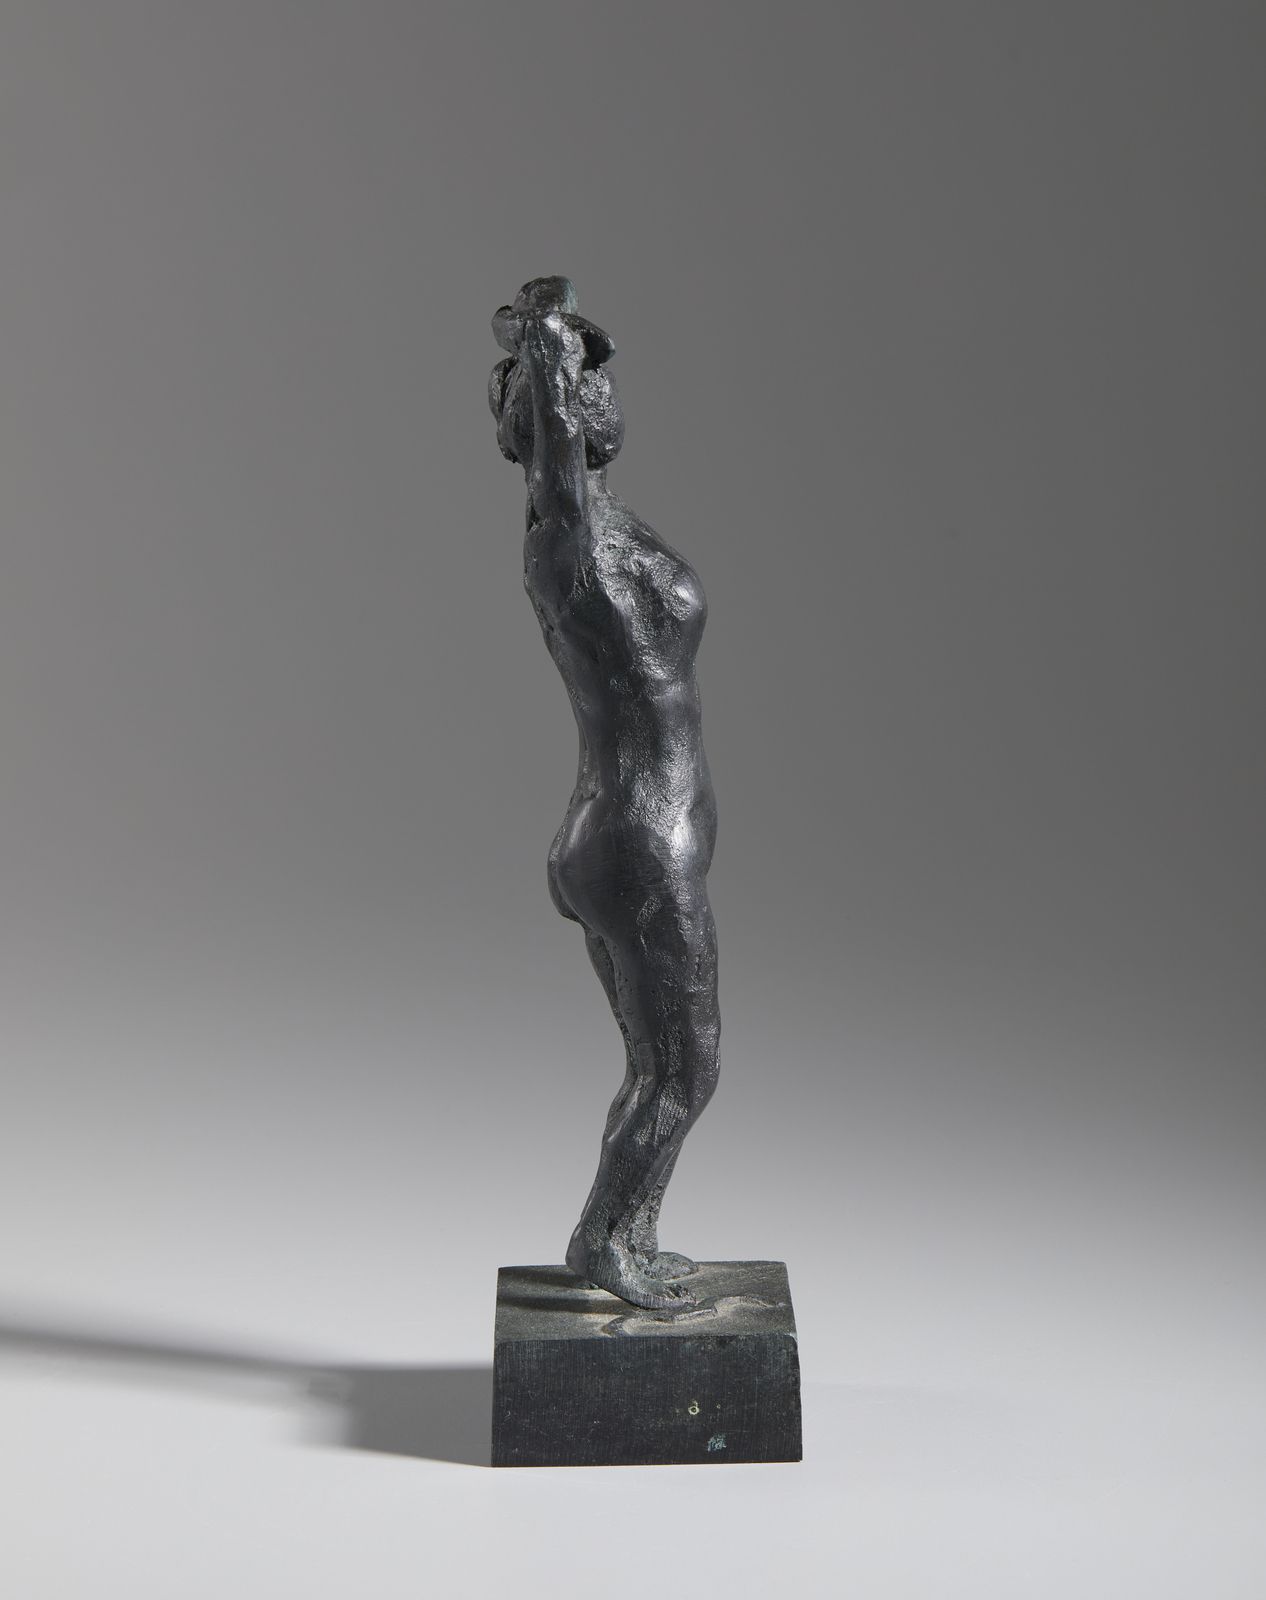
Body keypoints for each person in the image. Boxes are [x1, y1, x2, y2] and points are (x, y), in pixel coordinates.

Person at [489, 277, 720, 1310]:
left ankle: (627, 1234)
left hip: (629, 833)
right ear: (558, 419)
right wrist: (543, 332)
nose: (603, 396)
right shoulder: (565, 541)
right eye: (585, 388)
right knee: (687, 1069)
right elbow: (554, 438)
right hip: (634, 842)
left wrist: (559, 349)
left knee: (654, 1065)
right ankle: (603, 1240)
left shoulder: (610, 531)